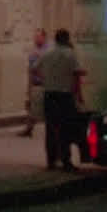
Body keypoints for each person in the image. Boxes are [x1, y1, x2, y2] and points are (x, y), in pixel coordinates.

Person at [36, 28, 85, 171]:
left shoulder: (47, 53)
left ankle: (51, 160)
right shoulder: (70, 54)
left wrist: (46, 78)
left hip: (49, 95)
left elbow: (35, 68)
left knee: (50, 129)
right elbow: (76, 73)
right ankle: (65, 160)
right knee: (65, 129)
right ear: (66, 39)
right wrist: (78, 94)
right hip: (65, 96)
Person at [22, 28, 49, 137]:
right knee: (32, 106)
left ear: (44, 37)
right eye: (35, 37)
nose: (36, 39)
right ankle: (29, 128)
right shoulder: (33, 51)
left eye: (38, 37)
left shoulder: (47, 51)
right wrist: (28, 87)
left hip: (44, 84)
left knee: (44, 108)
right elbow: (30, 69)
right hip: (35, 83)